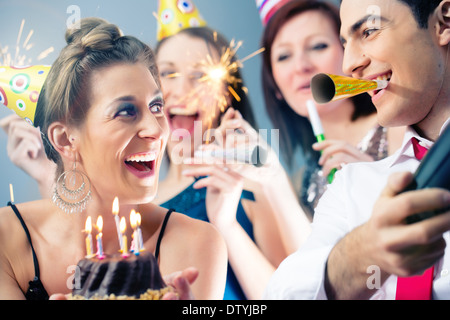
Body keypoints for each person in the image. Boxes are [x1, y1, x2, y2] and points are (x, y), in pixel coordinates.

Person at [0, 17, 227, 300]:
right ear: (64, 139)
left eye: (156, 106)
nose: (157, 130)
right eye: (126, 111)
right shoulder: (5, 238)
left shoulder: (197, 242)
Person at [265, 0, 450, 299]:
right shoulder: (351, 186)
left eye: (369, 31)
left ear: (443, 24)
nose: (350, 65)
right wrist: (364, 252)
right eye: (345, 42)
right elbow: (282, 293)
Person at [153, 22, 310, 299]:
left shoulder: (251, 185)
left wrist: (226, 224)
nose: (183, 89)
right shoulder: (136, 205)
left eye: (201, 75)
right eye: (168, 73)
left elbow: (299, 293)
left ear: (227, 94)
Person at [259, 0, 405, 217]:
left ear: (350, 55)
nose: (301, 66)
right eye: (284, 56)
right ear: (275, 86)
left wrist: (375, 180)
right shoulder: (300, 184)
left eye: (318, 46)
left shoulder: (403, 129)